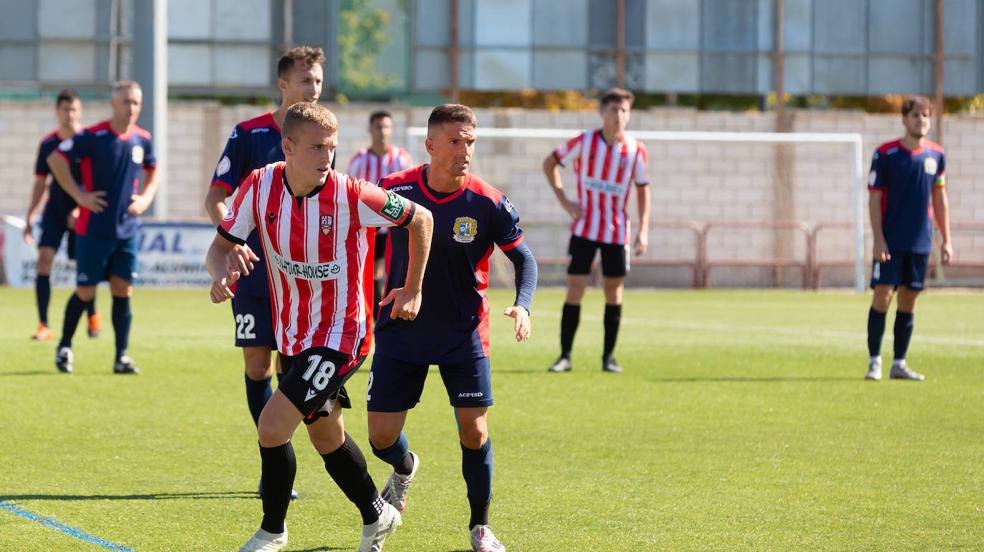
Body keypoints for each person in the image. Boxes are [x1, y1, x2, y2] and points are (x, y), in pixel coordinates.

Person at [207, 102, 434, 552]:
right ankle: (377, 514)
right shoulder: (259, 186)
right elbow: (219, 248)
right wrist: (219, 272)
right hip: (293, 334)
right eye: (316, 148)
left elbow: (421, 219)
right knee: (326, 435)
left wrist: (413, 289)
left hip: (341, 335)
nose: (326, 157)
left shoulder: (352, 194)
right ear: (288, 147)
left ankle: (272, 531)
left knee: (272, 427)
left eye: (331, 147)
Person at [367, 104, 537, 552]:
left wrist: (523, 306)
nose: (465, 150)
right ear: (430, 145)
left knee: (474, 431)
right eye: (455, 141)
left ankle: (480, 528)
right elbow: (360, 240)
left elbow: (524, 259)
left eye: (471, 141)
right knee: (380, 437)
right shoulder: (395, 188)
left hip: (464, 334)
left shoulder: (488, 201)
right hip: (401, 329)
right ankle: (404, 468)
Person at [204, 45, 326, 501]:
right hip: (254, 273)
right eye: (305, 81)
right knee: (257, 364)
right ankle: (272, 462)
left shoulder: (324, 132)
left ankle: (286, 448)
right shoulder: (249, 133)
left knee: (290, 368)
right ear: (283, 85)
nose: (313, 89)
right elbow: (216, 196)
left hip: (304, 276)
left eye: (317, 81)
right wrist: (231, 241)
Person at [47, 81, 158, 374]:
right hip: (93, 228)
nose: (131, 108)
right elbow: (55, 159)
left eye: (136, 103)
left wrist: (145, 199)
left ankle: (121, 355)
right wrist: (79, 195)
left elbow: (153, 170)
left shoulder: (143, 139)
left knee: (124, 290)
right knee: (85, 291)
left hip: (127, 230)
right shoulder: (92, 136)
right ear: (113, 104)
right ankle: (65, 346)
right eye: (126, 102)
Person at [543, 87, 650, 374]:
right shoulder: (585, 142)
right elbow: (550, 162)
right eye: (613, 109)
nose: (618, 115)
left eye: (624, 110)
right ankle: (564, 356)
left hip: (616, 232)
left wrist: (644, 229)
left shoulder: (636, 149)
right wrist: (565, 200)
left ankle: (609, 358)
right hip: (584, 229)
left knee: (613, 292)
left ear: (630, 114)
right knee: (575, 288)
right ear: (602, 112)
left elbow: (643, 189)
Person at [865, 96, 953, 382]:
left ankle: (899, 363)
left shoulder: (936, 155)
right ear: (904, 120)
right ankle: (875, 361)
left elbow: (940, 199)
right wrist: (878, 239)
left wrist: (946, 239)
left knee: (909, 300)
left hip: (920, 241)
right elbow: (875, 199)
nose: (921, 121)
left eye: (926, 116)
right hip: (890, 240)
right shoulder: (886, 154)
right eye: (916, 116)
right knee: (883, 296)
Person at [24, 89, 100, 341]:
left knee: (84, 264)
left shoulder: (88, 141)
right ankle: (43, 324)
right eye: (65, 109)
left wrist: (80, 207)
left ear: (80, 112)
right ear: (57, 111)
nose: (69, 114)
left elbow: (95, 181)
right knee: (44, 259)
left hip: (83, 212)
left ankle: (92, 315)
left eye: (74, 109)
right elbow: (39, 183)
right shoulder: (48, 144)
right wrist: (30, 215)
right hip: (55, 212)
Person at [347, 110, 413, 313]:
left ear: (391, 130)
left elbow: (411, 190)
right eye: (378, 127)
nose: (382, 132)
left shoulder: (401, 159)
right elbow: (350, 192)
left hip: (396, 224)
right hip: (370, 225)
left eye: (386, 127)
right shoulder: (359, 160)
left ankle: (395, 309)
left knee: (397, 269)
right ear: (370, 129)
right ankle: (374, 313)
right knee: (370, 272)